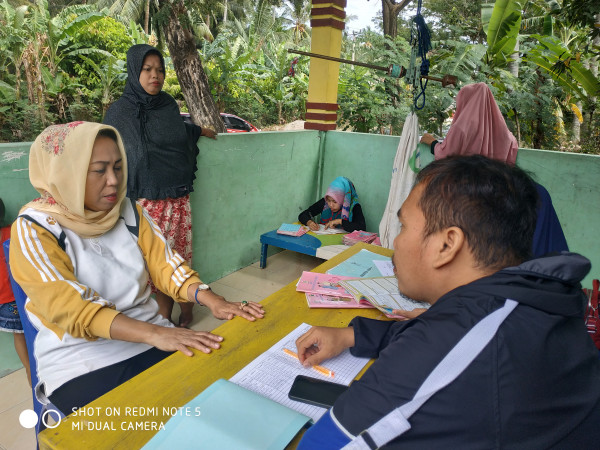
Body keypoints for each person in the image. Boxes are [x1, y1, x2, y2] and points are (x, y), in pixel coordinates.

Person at [295, 155, 600, 449]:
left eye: (403, 227)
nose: (396, 243)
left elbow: (322, 445)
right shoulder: (530, 301)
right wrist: (353, 335)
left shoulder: (447, 347)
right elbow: (452, 335)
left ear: (447, 244)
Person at [9, 122, 264, 415]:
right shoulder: (35, 228)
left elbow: (166, 265)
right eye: (99, 170)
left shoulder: (129, 211)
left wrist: (212, 299)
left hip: (151, 335)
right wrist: (155, 334)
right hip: (80, 358)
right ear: (66, 172)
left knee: (214, 407)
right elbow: (71, 308)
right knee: (138, 428)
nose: (114, 181)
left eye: (118, 167)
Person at [104, 44, 217, 328]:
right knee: (149, 266)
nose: (156, 76)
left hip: (175, 200)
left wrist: (199, 130)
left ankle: (180, 313)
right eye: (147, 69)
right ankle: (167, 316)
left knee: (176, 261)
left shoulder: (168, 105)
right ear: (134, 71)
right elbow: (106, 150)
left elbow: (177, 133)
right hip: (141, 205)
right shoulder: (119, 113)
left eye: (160, 70)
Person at [421, 82, 568, 258]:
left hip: (467, 195)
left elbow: (446, 154)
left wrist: (431, 142)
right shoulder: (507, 134)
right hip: (500, 195)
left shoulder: (460, 129)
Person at [0, 198, 31, 386]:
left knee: (27, 331)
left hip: (25, 291)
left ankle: (32, 367)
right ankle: (29, 368)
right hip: (8, 299)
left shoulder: (11, 232)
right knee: (20, 334)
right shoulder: (9, 231)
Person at [298, 177, 366, 232]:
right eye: (329, 200)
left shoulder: (354, 207)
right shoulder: (324, 204)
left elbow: (362, 228)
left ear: (343, 199)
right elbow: (303, 215)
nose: (330, 205)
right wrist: (309, 222)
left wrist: (340, 221)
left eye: (335, 201)